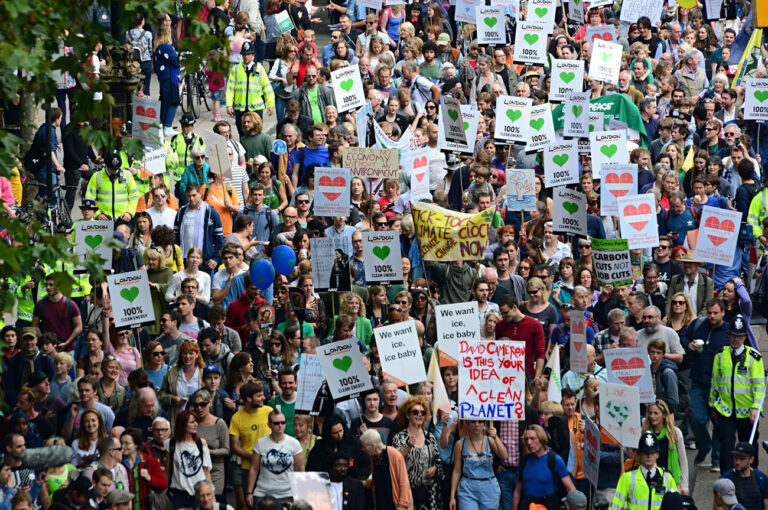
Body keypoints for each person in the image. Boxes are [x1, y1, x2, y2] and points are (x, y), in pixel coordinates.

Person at [710, 314, 764, 474]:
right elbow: (715, 382)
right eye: (733, 335)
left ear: (745, 337)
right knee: (726, 445)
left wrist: (756, 408)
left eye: (739, 336)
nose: (735, 339)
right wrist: (712, 405)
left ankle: (752, 476)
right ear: (729, 335)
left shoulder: (754, 357)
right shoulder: (720, 355)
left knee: (749, 445)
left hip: (747, 412)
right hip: (725, 409)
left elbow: (759, 385)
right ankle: (727, 477)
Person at [391, 397, 442, 510]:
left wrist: (435, 468)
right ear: (408, 415)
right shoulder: (400, 437)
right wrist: (408, 446)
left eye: (423, 413)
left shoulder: (430, 437)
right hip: (408, 491)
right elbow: (395, 463)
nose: (419, 415)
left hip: (430, 492)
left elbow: (439, 462)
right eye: (415, 412)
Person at [229, 381, 273, 510]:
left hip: (268, 467)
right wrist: (253, 457)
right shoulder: (237, 418)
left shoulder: (269, 412)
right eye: (259, 396)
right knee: (248, 504)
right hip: (246, 468)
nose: (264, 398)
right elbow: (234, 446)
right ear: (249, 398)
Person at [246, 410, 304, 507]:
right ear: (269, 425)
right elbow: (254, 469)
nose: (280, 425)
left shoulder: (294, 443)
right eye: (276, 423)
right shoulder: (260, 443)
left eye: (283, 422)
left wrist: (300, 494)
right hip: (263, 493)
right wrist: (249, 492)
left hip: (287, 494)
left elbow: (300, 470)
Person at [611, 431, 677, 509]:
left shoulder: (667, 477)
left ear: (658, 454)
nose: (649, 456)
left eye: (652, 452)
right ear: (638, 454)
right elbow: (615, 506)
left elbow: (675, 505)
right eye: (645, 452)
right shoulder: (627, 477)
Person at [225, 41, 275, 137]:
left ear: (253, 55)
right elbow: (230, 89)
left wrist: (270, 104)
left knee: (256, 134)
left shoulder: (259, 69)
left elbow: (267, 88)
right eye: (244, 54)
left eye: (248, 54)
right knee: (242, 134)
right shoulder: (236, 69)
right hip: (240, 108)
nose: (246, 57)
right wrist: (229, 105)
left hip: (256, 108)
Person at [173, 183, 224, 274]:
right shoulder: (181, 211)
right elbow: (175, 236)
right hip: (184, 259)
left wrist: (216, 258)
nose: (191, 198)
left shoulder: (211, 212)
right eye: (189, 196)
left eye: (194, 195)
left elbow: (219, 239)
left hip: (204, 260)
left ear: (200, 194)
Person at [190, 390, 230, 504]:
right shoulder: (192, 423)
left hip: (216, 470)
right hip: (196, 471)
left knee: (215, 503)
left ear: (210, 403)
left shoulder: (219, 423)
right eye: (196, 405)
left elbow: (226, 450)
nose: (199, 408)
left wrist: (207, 451)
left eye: (203, 404)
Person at [167, 411, 212, 509]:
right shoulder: (171, 444)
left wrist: (211, 494)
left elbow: (206, 471)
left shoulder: (201, 443)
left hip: (198, 493)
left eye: (196, 421)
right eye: (192, 422)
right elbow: (168, 470)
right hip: (178, 492)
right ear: (182, 425)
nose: (195, 424)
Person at [642, 400, 689, 494]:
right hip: (649, 482)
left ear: (664, 415)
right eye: (650, 413)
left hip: (671, 482)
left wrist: (685, 486)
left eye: (656, 413)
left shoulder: (674, 433)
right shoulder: (645, 434)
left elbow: (683, 462)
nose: (652, 416)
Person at [360, 429, 413, 510]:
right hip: (381, 503)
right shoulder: (373, 457)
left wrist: (402, 504)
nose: (363, 450)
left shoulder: (394, 454)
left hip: (395, 504)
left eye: (364, 447)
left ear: (373, 446)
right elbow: (378, 479)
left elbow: (404, 482)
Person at [119, 428, 167, 510]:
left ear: (136, 445)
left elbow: (163, 484)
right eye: (121, 443)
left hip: (146, 506)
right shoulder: (119, 463)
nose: (123, 447)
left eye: (127, 443)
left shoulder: (150, 461)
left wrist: (150, 478)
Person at [721, 442, 768, 510]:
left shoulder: (761, 478)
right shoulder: (726, 479)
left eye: (742, 459)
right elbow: (719, 506)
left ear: (751, 459)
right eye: (736, 458)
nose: (737, 462)